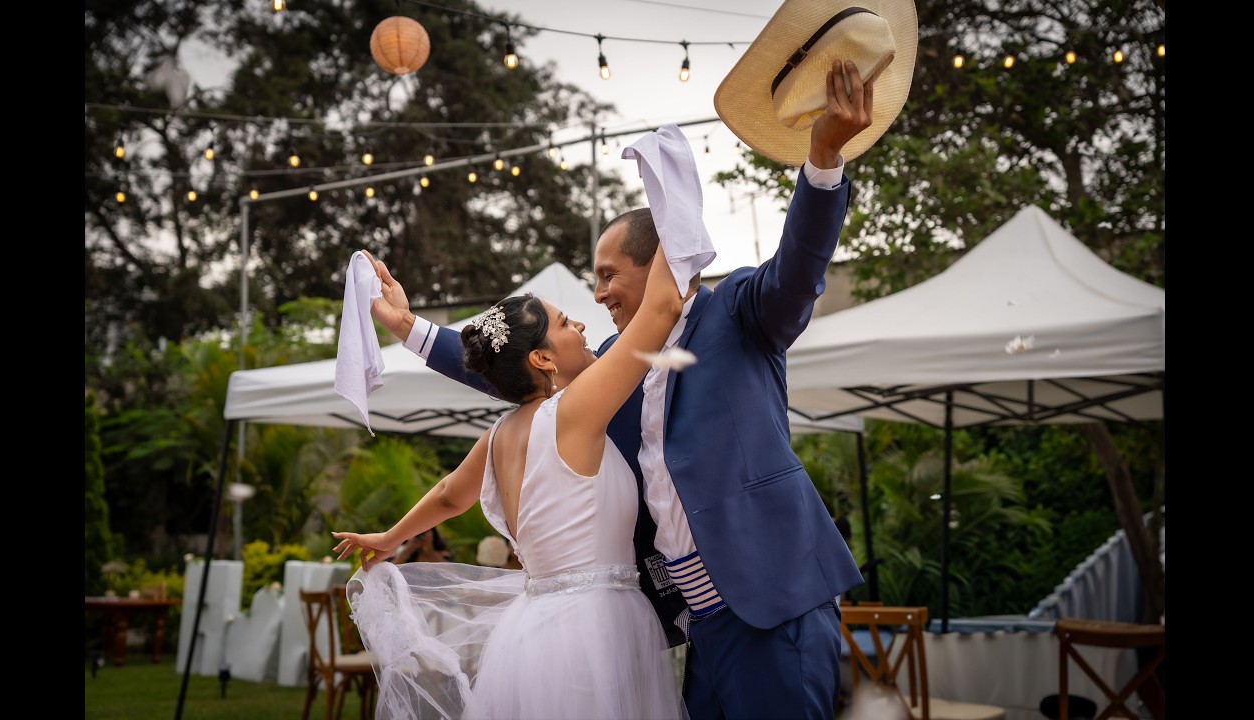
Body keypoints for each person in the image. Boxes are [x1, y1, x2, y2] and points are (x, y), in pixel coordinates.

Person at [361, 5, 918, 715]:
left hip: (772, 606)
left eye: (606, 274)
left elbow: (801, 269)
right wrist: (411, 329)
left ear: (654, 265)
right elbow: (517, 369)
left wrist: (825, 161)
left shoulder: (740, 312)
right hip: (699, 627)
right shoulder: (606, 373)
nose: (596, 294)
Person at [331, 233, 689, 719]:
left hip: (532, 631)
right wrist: (671, 220)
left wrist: (393, 536)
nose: (582, 323)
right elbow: (662, 309)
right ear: (542, 359)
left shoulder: (499, 434)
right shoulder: (576, 412)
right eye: (565, 323)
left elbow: (447, 495)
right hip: (595, 627)